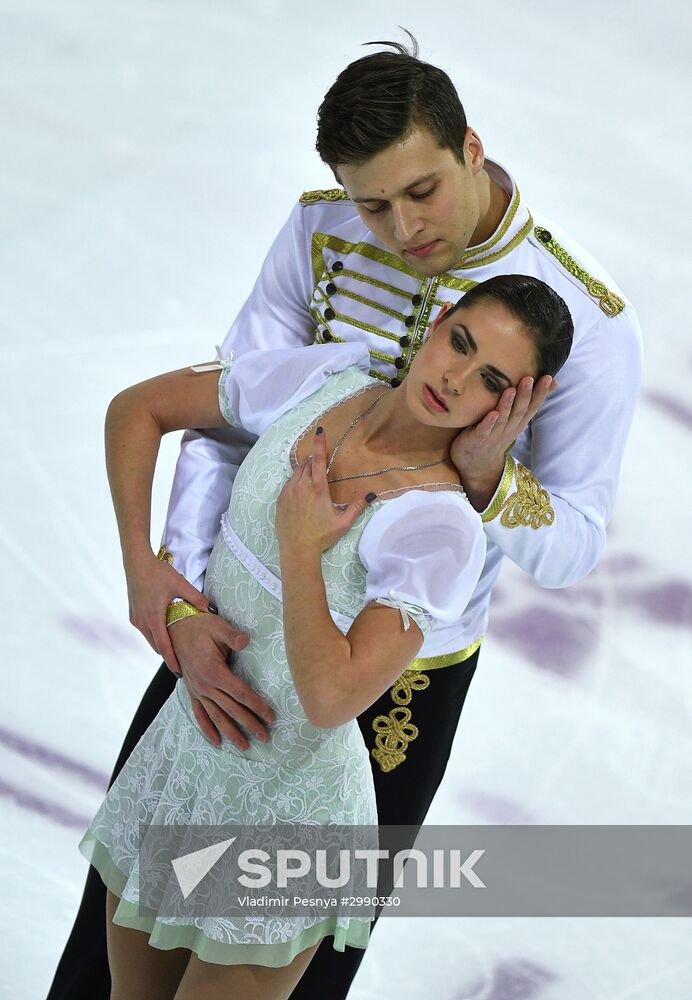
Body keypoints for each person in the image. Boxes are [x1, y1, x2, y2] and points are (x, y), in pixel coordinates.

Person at [48, 36, 642, 1000]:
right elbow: (226, 424)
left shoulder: (590, 323)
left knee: (302, 966)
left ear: (472, 150)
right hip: (230, 632)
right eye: (374, 203)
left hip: (394, 684)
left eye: (422, 192)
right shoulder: (320, 234)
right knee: (113, 935)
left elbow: (574, 546)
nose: (400, 228)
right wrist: (182, 599)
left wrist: (492, 488)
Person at [79, 275, 573, 1000]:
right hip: (189, 756)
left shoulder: (439, 530)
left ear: (511, 404)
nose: (455, 378)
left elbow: (333, 696)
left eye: (490, 379)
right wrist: (146, 574)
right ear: (437, 323)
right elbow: (138, 409)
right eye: (460, 344)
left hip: (289, 819)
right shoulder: (323, 376)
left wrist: (300, 548)